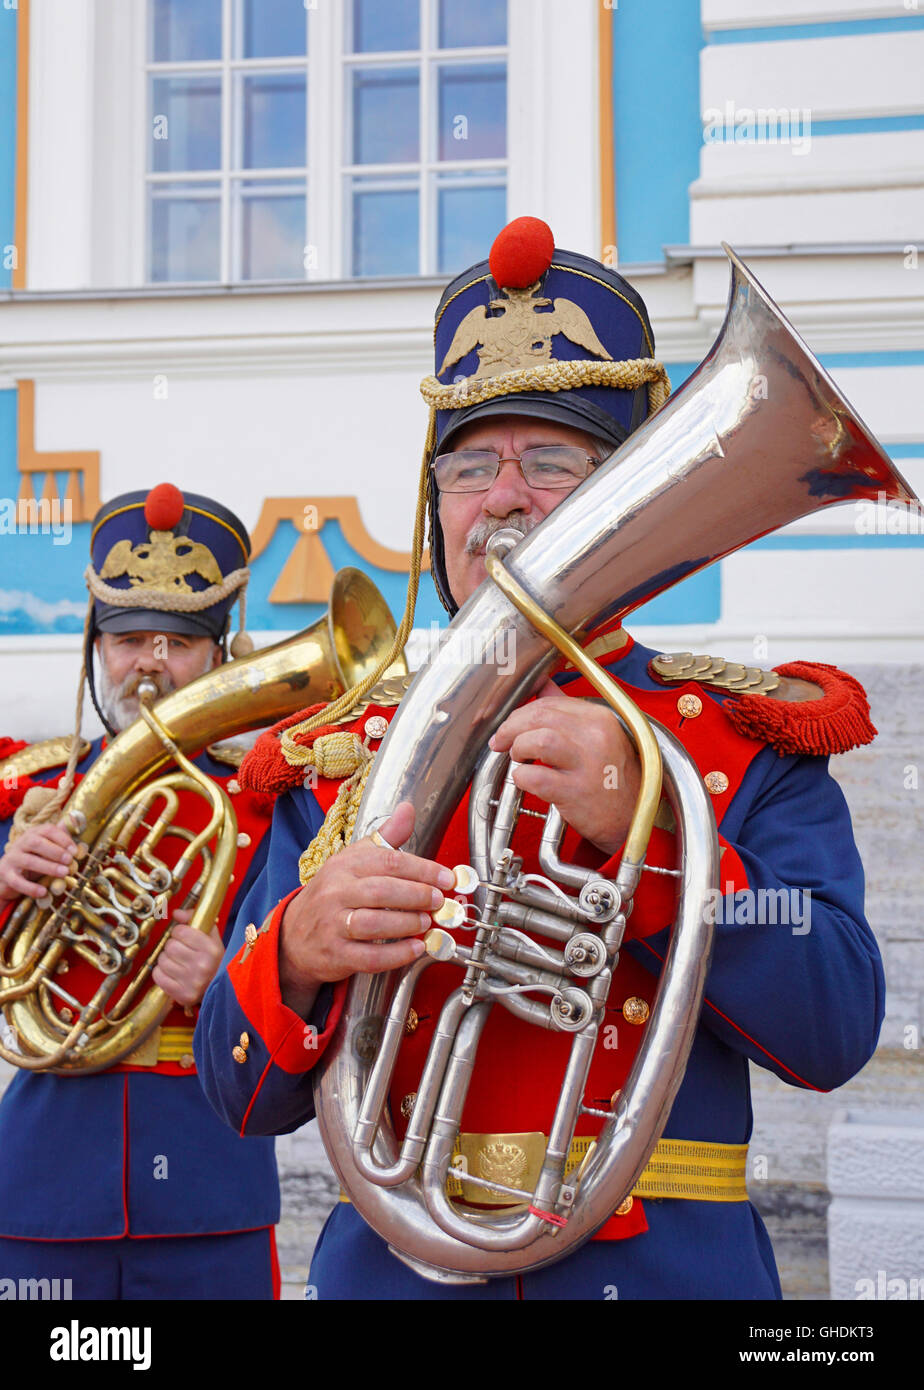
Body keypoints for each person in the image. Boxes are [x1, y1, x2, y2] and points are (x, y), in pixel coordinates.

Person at [194, 218, 884, 1300]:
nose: (503, 498)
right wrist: (293, 955)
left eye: (551, 460)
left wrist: (651, 834)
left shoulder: (734, 736)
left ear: (637, 496)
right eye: (469, 465)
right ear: (436, 504)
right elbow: (236, 1097)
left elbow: (835, 1021)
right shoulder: (342, 754)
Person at [0, 483, 281, 1300]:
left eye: (179, 642)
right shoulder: (29, 794)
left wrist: (230, 982)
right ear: (94, 645)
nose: (152, 663)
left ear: (218, 658)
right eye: (129, 639)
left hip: (209, 1189)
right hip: (44, 1188)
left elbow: (319, 1001)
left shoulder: (264, 804)